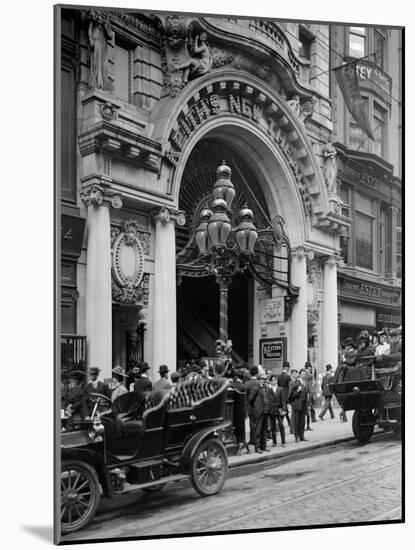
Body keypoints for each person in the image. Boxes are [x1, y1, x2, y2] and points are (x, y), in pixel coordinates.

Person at [252, 373, 272, 453]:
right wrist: (256, 407)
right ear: (259, 379)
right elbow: (251, 399)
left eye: (265, 379)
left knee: (264, 430)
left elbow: (269, 398)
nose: (264, 380)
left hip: (266, 411)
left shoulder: (267, 388)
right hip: (259, 411)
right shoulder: (256, 388)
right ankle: (257, 447)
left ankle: (264, 446)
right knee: (258, 430)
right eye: (262, 379)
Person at [288, 369, 308, 442]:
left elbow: (306, 394)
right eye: (302, 374)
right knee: (296, 421)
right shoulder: (295, 383)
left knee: (302, 421)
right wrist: (297, 391)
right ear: (299, 375)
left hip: (303, 404)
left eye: (305, 374)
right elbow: (291, 395)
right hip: (296, 404)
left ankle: (302, 436)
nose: (304, 375)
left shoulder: (305, 382)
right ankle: (297, 437)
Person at [232, 369, 249, 455]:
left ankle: (235, 443)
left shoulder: (232, 385)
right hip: (241, 411)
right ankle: (241, 444)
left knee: (235, 429)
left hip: (232, 412)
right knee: (241, 430)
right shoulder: (243, 387)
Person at [268, 375, 287, 447]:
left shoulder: (280, 389)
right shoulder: (269, 390)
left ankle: (283, 441)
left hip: (279, 409)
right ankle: (274, 442)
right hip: (272, 410)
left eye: (275, 380)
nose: (274, 381)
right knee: (273, 427)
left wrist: (284, 409)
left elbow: (283, 400)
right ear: (270, 381)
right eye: (272, 380)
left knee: (281, 425)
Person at [246, 365, 260, 449]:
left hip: (250, 407)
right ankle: (257, 440)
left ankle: (252, 439)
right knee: (258, 424)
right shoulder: (260, 383)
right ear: (257, 373)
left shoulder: (247, 384)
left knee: (251, 423)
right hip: (259, 407)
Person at [277, 361, 291, 428]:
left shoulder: (279, 376)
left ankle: (289, 423)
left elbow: (278, 386)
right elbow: (289, 387)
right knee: (285, 410)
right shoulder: (288, 376)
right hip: (286, 395)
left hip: (280, 394)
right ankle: (281, 425)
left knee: (285, 410)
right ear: (287, 367)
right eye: (288, 367)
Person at [303, 362, 316, 429]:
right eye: (310, 367)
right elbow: (309, 386)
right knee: (308, 410)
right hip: (308, 394)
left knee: (308, 409)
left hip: (308, 393)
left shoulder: (305, 374)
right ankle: (307, 425)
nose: (311, 368)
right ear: (308, 367)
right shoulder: (308, 375)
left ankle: (308, 425)